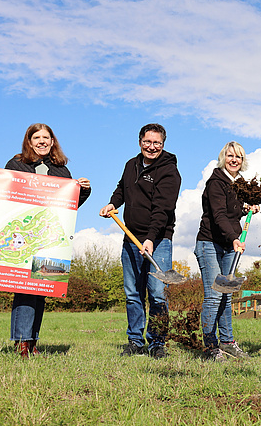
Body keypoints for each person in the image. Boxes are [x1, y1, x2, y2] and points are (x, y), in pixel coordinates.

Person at [0, 123, 91, 358]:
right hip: (20, 240)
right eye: (36, 137)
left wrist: (84, 190)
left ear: (52, 141)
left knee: (42, 290)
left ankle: (33, 341)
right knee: (25, 291)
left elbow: (68, 209)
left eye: (46, 137)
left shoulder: (62, 171)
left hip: (47, 242)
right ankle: (22, 345)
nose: (41, 141)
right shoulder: (16, 165)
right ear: (29, 141)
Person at [99, 123, 181, 360]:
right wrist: (113, 203)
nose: (152, 147)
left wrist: (150, 238)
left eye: (157, 143)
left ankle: (157, 342)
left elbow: (162, 209)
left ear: (163, 145)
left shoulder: (169, 172)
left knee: (156, 292)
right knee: (132, 293)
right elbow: (122, 189)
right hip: (130, 239)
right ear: (140, 142)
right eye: (148, 142)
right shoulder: (131, 165)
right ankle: (135, 341)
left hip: (158, 240)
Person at [194, 141, 259, 361]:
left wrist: (247, 208)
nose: (234, 160)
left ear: (243, 161)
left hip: (230, 244)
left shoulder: (237, 183)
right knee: (213, 296)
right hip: (210, 243)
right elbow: (219, 215)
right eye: (230, 156)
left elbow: (232, 211)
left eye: (238, 157)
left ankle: (228, 342)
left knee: (226, 295)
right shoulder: (216, 182)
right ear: (223, 157)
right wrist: (234, 238)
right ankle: (209, 346)